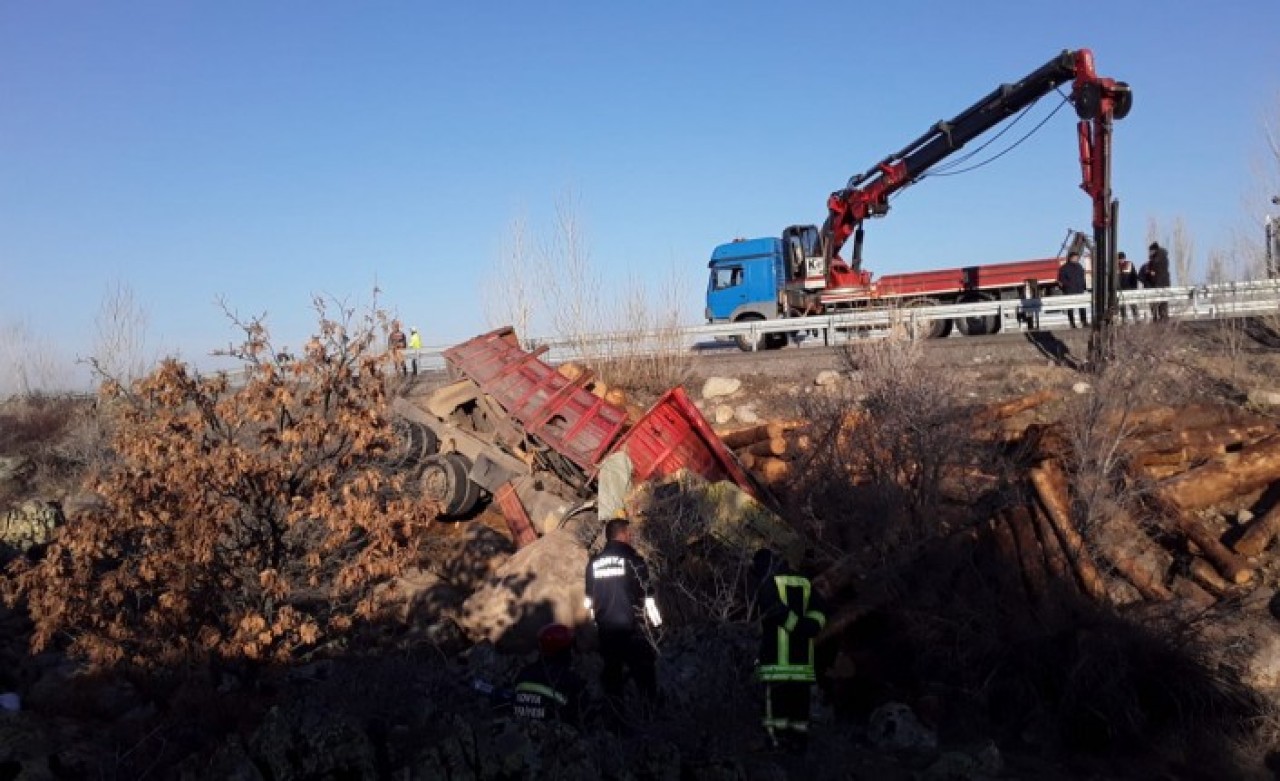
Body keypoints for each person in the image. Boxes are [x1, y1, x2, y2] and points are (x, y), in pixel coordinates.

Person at [584, 517, 661, 723]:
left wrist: (594, 626)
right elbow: (647, 596)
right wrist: (658, 627)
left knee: (613, 678)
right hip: (630, 629)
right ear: (623, 535)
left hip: (606, 632)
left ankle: (616, 723)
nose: (632, 536)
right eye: (629, 533)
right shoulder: (633, 560)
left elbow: (589, 600)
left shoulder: (593, 564)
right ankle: (650, 718)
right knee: (644, 674)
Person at [751, 548, 827, 753]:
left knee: (775, 709)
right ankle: (799, 745)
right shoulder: (804, 582)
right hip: (802, 664)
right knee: (800, 710)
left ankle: (775, 745)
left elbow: (772, 613)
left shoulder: (768, 585)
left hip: (776, 663)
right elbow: (820, 614)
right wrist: (808, 626)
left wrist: (794, 624)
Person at [511, 623, 585, 726]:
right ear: (564, 651)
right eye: (570, 648)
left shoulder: (524, 673)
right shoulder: (570, 681)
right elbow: (582, 717)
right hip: (555, 738)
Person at [1056, 251, 1088, 328]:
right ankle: (1072, 323)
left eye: (1077, 258)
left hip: (1079, 289)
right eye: (1075, 258)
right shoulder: (1064, 268)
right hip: (1070, 290)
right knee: (1070, 307)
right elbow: (1061, 279)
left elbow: (1082, 277)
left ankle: (1084, 321)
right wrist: (1067, 286)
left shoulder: (1079, 266)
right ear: (1070, 258)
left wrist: (1083, 286)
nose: (1076, 259)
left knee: (1082, 306)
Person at [1142, 241, 1172, 322]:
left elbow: (1157, 271)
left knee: (1160, 303)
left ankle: (1162, 319)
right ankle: (1163, 319)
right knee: (1162, 303)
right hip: (1163, 283)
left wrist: (1152, 273)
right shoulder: (1162, 257)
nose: (1150, 253)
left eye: (1150, 251)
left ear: (1154, 250)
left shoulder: (1158, 259)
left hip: (1160, 283)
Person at [1117, 251, 1141, 322]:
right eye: (1120, 259)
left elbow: (1134, 277)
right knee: (1122, 305)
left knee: (1133, 304)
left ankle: (1137, 318)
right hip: (1120, 289)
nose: (1121, 260)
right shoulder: (1115, 266)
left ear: (1124, 258)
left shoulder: (1129, 264)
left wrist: (1134, 288)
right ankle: (1124, 319)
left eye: (1122, 258)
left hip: (1129, 288)